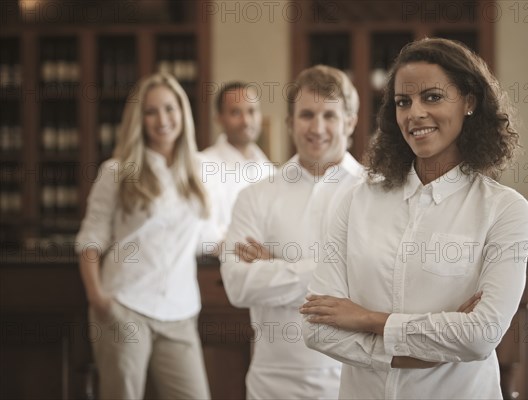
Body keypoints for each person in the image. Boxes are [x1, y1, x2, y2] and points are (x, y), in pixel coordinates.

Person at [300, 38, 528, 399]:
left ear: (469, 102)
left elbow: (480, 335)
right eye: (403, 102)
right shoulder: (357, 199)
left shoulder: (505, 210)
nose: (415, 113)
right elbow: (318, 327)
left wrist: (367, 319)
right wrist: (421, 354)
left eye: (433, 97)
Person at [220, 65, 364, 399]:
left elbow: (379, 282)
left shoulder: (377, 193)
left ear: (350, 122)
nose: (317, 127)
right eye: (306, 114)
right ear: (289, 122)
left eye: (330, 115)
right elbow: (238, 287)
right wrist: (335, 269)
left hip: (352, 378)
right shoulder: (255, 196)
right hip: (272, 381)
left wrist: (274, 264)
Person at [76, 73, 221, 399]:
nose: (163, 119)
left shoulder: (199, 172)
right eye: (151, 111)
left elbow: (207, 237)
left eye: (170, 109)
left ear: (183, 113)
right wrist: (98, 299)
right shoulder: (117, 171)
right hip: (125, 308)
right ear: (138, 119)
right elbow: (90, 239)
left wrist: (254, 248)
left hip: (180, 312)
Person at [201, 82, 273, 228]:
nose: (246, 121)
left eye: (252, 111)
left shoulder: (270, 172)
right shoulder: (202, 166)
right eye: (235, 113)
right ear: (219, 118)